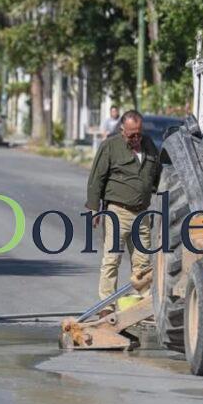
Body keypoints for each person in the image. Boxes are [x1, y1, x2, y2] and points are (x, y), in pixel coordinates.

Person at [86, 110, 160, 300]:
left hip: (142, 215)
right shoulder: (110, 146)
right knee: (112, 261)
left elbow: (158, 176)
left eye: (139, 134)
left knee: (143, 264)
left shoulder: (149, 146)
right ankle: (107, 306)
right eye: (131, 135)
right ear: (121, 130)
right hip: (117, 212)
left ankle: (142, 306)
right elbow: (97, 179)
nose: (136, 138)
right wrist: (94, 209)